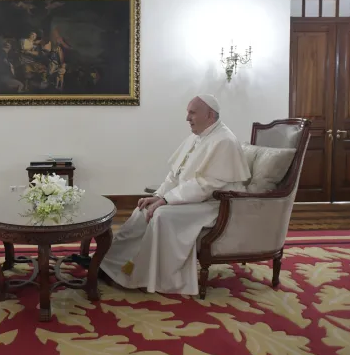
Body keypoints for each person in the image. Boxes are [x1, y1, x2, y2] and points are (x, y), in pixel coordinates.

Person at [98, 94, 251, 295]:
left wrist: (166, 200)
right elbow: (175, 175)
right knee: (142, 209)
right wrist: (159, 195)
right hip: (194, 199)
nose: (187, 118)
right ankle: (108, 265)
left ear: (210, 115)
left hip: (216, 205)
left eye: (192, 112)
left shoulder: (224, 140)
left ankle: (153, 279)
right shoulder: (198, 137)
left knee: (161, 215)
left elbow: (206, 185)